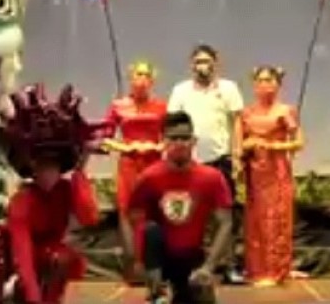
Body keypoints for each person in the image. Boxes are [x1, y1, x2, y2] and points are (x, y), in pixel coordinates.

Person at [0, 84, 104, 304]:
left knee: (64, 259)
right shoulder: (23, 201)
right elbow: (22, 254)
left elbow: (90, 217)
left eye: (53, 165)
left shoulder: (66, 190)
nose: (47, 172)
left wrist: (81, 168)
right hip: (6, 253)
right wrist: (33, 296)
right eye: (41, 165)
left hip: (43, 253)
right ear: (32, 168)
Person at [122, 111, 234, 304]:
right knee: (151, 230)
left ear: (194, 141)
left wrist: (209, 266)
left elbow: (226, 223)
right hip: (160, 259)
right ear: (163, 141)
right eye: (173, 138)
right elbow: (131, 218)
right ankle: (158, 291)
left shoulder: (212, 178)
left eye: (185, 138)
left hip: (192, 256)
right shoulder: (149, 177)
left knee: (201, 294)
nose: (180, 143)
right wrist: (136, 260)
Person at [167, 44, 245, 283]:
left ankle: (229, 266)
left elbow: (237, 122)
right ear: (192, 65)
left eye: (206, 61)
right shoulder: (180, 90)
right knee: (189, 215)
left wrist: (237, 155)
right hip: (190, 163)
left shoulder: (228, 88)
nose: (202, 65)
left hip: (221, 160)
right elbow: (172, 124)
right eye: (198, 61)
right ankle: (191, 265)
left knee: (225, 216)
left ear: (215, 63)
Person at [235, 65, 303, 287]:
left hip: (277, 170)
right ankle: (256, 269)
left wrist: (273, 145)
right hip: (254, 172)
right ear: (254, 85)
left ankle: (276, 270)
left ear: (278, 84)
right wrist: (246, 147)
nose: (265, 85)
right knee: (255, 222)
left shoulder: (285, 110)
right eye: (261, 81)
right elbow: (238, 145)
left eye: (269, 80)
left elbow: (299, 142)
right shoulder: (246, 113)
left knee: (275, 219)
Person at [101, 60, 167, 280]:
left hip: (153, 165)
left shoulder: (162, 106)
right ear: (131, 78)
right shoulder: (118, 105)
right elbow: (104, 138)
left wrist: (156, 146)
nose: (142, 79)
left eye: (146, 75)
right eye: (138, 74)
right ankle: (133, 266)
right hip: (129, 164)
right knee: (127, 212)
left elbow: (170, 138)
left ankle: (154, 266)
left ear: (152, 80)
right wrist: (126, 147)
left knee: (152, 212)